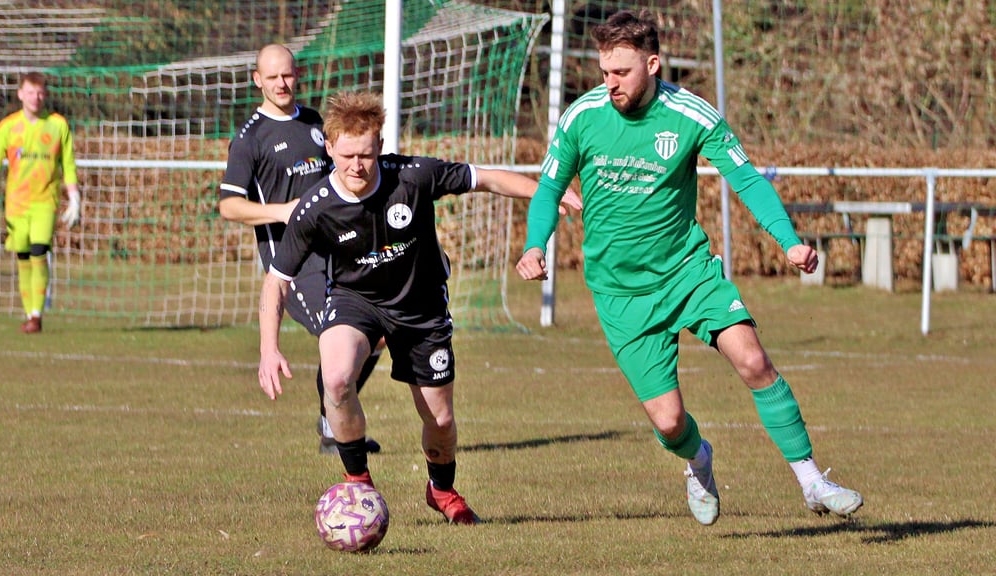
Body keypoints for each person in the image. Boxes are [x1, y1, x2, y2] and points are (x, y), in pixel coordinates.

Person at [516, 9, 862, 526]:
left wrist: (788, 242)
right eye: (604, 72)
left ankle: (812, 481)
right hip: (619, 291)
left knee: (753, 361)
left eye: (622, 72)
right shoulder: (581, 117)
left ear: (652, 64)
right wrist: (534, 244)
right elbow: (547, 187)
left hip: (687, 271)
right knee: (670, 421)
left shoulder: (693, 115)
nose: (609, 84)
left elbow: (744, 179)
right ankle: (698, 461)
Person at [257, 91, 580, 525]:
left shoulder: (412, 175)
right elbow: (276, 282)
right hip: (357, 303)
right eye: (347, 155)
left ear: (380, 145)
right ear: (329, 147)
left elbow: (486, 179)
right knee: (335, 379)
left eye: (367, 155)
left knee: (441, 420)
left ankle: (441, 491)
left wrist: (544, 194)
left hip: (421, 306)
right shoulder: (315, 208)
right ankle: (358, 484)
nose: (357, 165)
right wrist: (268, 347)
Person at [219, 44, 382, 455]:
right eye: (272, 77)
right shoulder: (249, 139)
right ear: (258, 80)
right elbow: (229, 205)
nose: (281, 84)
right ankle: (333, 424)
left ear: (298, 74)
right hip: (295, 264)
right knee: (336, 337)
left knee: (376, 332)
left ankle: (331, 413)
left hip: (338, 250)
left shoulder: (314, 123)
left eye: (287, 75)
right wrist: (283, 211)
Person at [0, 71, 80, 334]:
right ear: (21, 94)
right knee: (22, 255)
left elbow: (67, 163)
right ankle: (29, 311)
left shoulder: (57, 125)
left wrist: (74, 196)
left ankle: (36, 315)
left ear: (46, 95)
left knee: (39, 251)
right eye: (31, 92)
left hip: (46, 200)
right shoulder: (8, 127)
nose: (36, 97)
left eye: (41, 92)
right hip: (17, 204)